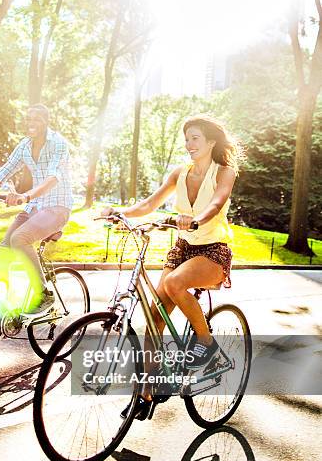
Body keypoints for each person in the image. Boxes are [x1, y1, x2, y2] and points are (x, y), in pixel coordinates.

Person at [101, 115, 242, 419]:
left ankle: (208, 346)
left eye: (195, 138)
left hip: (213, 251)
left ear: (211, 142)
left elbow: (217, 202)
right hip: (182, 250)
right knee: (154, 317)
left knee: (175, 284)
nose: (189, 144)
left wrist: (197, 219)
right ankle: (147, 392)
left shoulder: (224, 172)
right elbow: (149, 205)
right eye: (187, 138)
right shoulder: (180, 173)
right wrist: (119, 212)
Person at [0, 103, 73, 319]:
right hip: (34, 207)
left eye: (36, 119)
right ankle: (1, 319)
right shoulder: (25, 146)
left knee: (20, 238)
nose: (31, 123)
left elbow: (53, 178)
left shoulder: (58, 144)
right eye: (28, 119)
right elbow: (0, 175)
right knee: (1, 257)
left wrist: (26, 196)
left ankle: (44, 293)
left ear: (45, 121)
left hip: (57, 205)